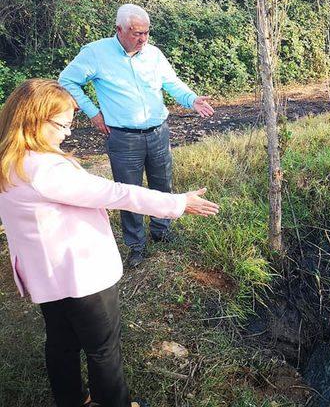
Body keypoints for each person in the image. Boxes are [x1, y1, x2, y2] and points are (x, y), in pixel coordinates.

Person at [0, 79, 219, 407]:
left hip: (46, 276)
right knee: (103, 349)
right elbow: (116, 192)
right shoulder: (45, 168)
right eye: (62, 124)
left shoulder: (10, 162)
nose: (68, 133)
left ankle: (72, 399)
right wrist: (176, 203)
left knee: (61, 343)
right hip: (80, 276)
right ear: (35, 120)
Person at [59, 3, 215, 268]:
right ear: (119, 29)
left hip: (157, 132)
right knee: (128, 191)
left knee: (162, 182)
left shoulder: (153, 54)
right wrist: (93, 113)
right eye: (136, 33)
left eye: (146, 33)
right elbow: (67, 80)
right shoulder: (96, 53)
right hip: (123, 137)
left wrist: (192, 99)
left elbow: (171, 83)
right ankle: (136, 245)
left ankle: (162, 230)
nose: (142, 39)